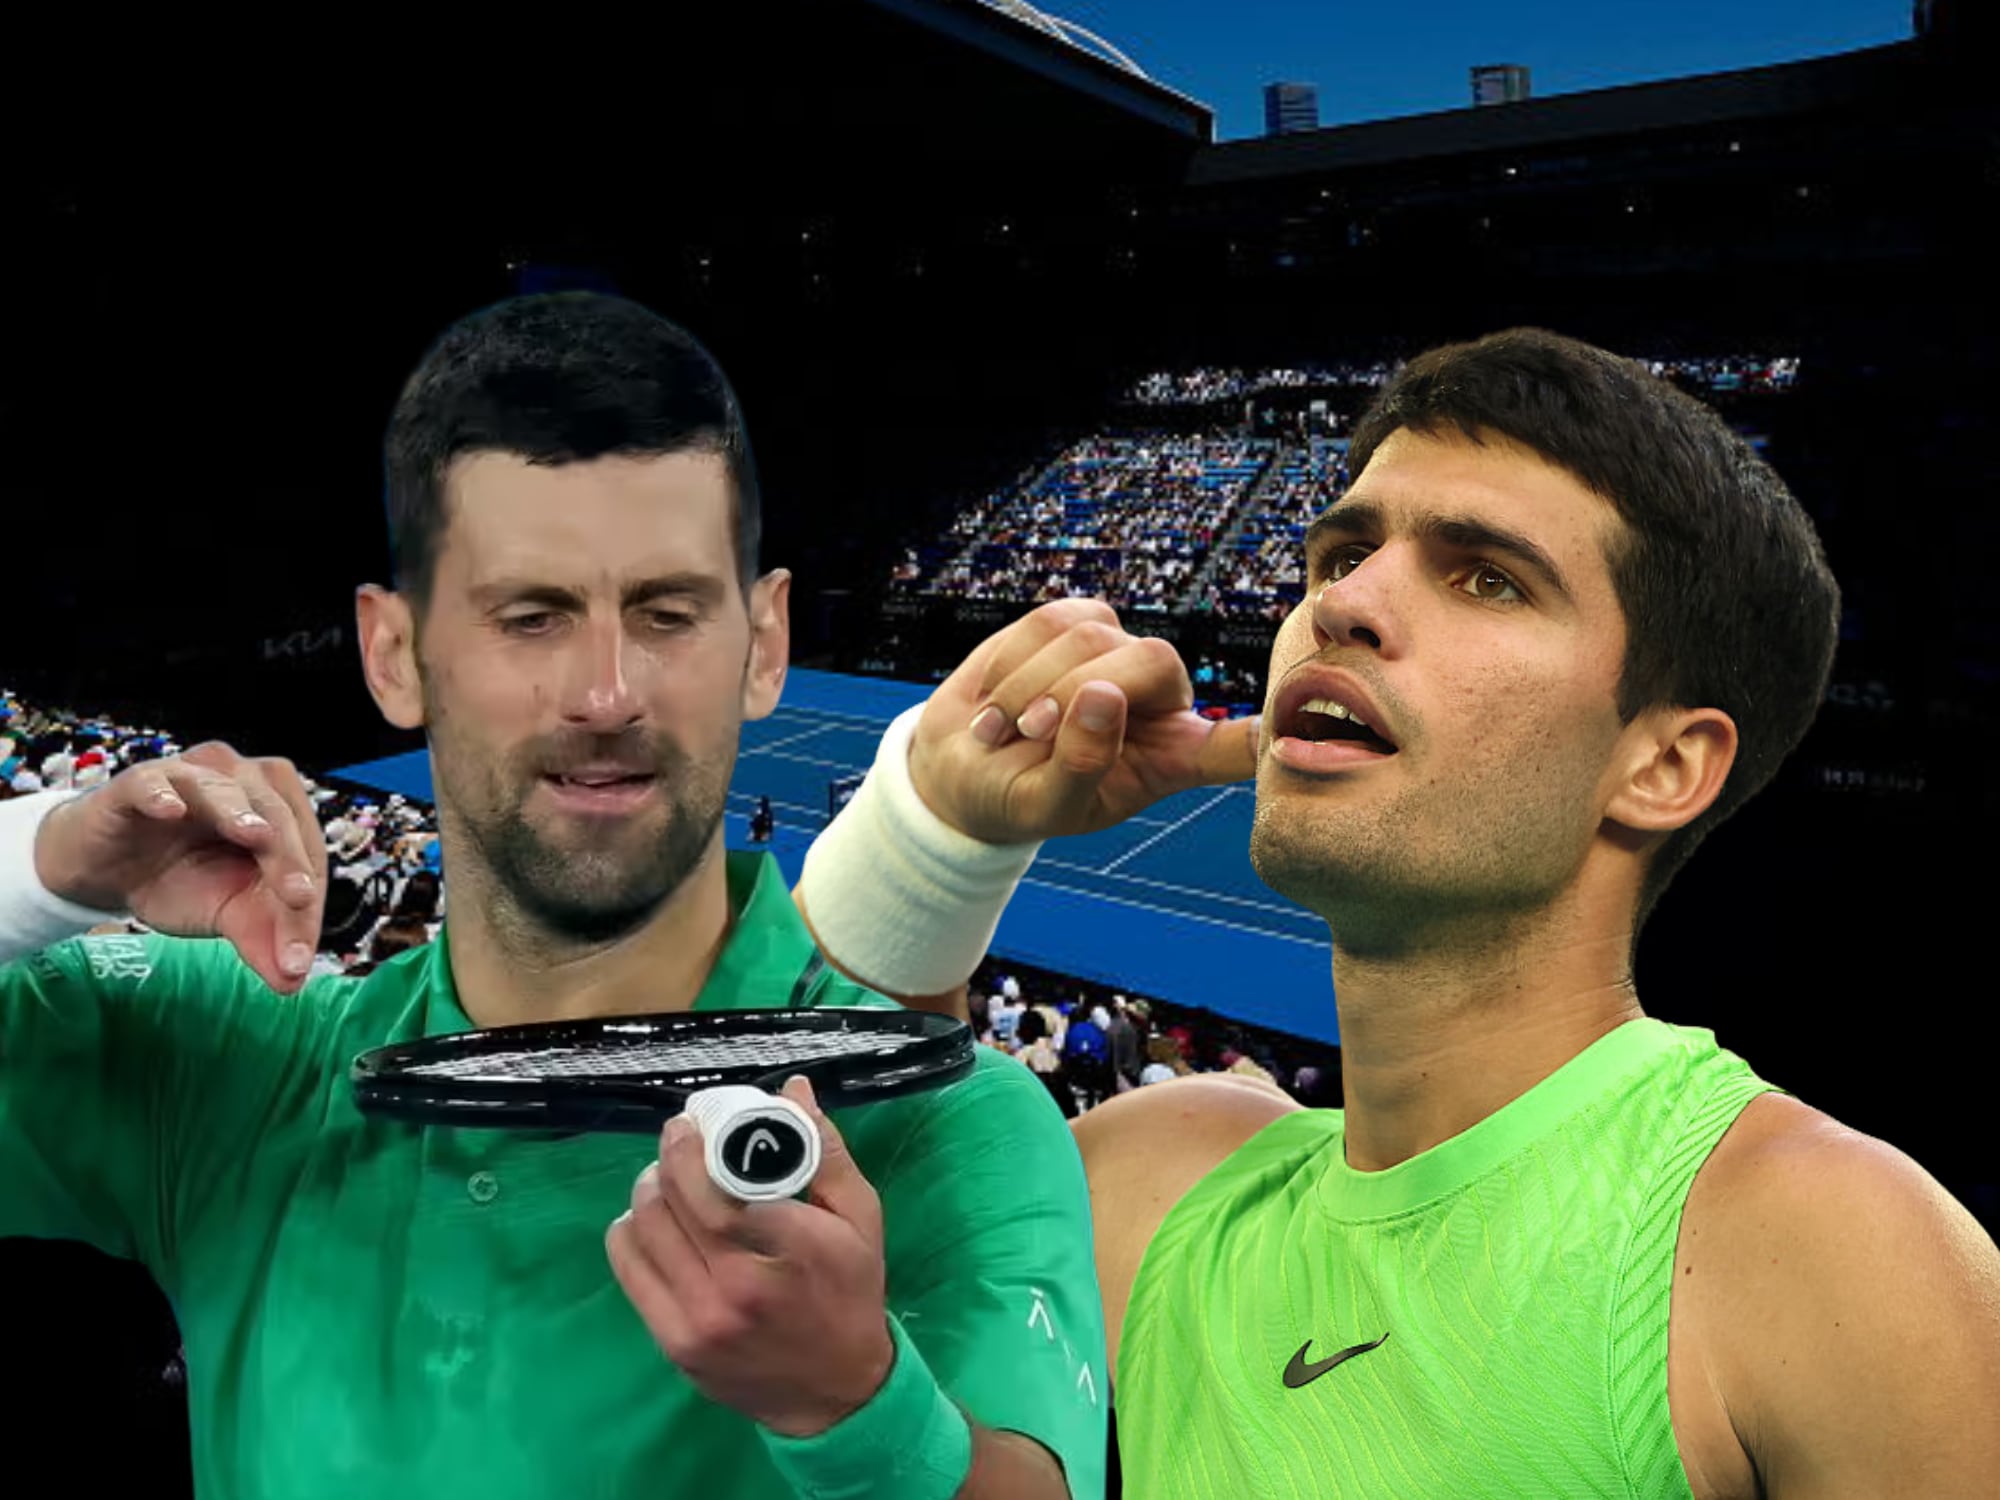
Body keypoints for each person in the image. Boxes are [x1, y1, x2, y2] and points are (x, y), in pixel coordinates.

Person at [794, 328, 2000, 1495]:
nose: (1345, 604)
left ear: (1662, 766)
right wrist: (942, 834)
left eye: (1488, 579)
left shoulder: (1829, 1256)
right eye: (1339, 555)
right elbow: (778, 1245)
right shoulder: (1157, 1176)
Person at [0, 293, 1101, 1498]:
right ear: (394, 653)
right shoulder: (227, 1062)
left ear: (765, 642)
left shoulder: (950, 1122)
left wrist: (851, 1408)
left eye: (667, 613)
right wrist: (48, 864)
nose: (607, 693)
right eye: (532, 617)